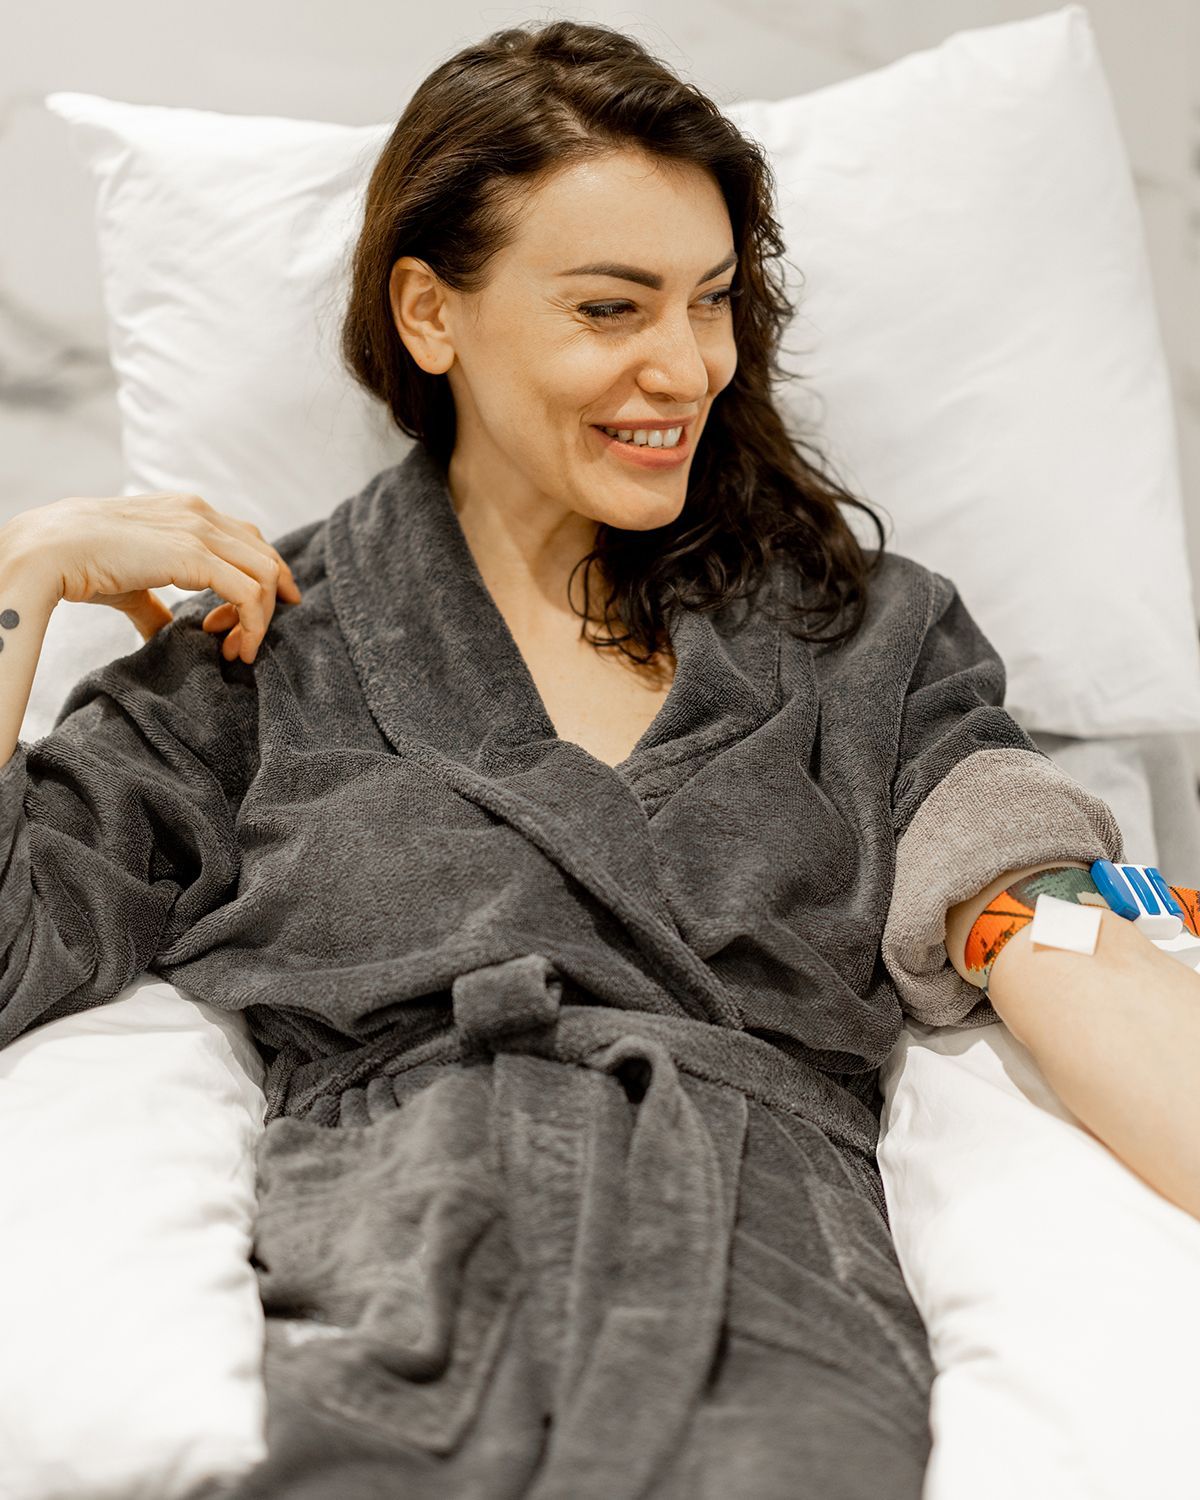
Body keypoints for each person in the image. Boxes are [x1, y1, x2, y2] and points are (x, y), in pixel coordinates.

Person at [1, 19, 1184, 1500]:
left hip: (777, 1335)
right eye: (612, 307)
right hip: (393, 1321)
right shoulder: (262, 651)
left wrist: (1061, 927)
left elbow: (1051, 921)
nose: (685, 366)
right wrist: (23, 573)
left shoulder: (869, 641)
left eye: (713, 300)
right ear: (431, 312)